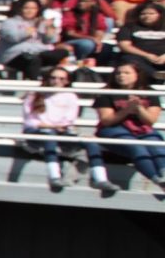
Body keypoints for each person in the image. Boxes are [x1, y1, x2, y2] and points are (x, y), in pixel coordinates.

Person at [23, 66, 116, 195]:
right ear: (47, 79)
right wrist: (52, 127)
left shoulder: (70, 96)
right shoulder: (34, 95)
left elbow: (69, 120)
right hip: (38, 133)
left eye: (61, 78)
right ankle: (54, 176)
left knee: (90, 142)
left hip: (60, 131)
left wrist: (59, 128)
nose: (57, 81)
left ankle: (100, 178)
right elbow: (30, 122)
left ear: (67, 81)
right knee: (50, 136)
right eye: (53, 78)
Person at [93, 62, 165, 197]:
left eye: (126, 73)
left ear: (137, 75)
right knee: (136, 147)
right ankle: (158, 180)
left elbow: (150, 121)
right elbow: (107, 121)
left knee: (157, 146)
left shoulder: (149, 93)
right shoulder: (106, 93)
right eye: (118, 73)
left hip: (141, 129)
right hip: (113, 129)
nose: (121, 76)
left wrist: (139, 108)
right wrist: (126, 110)